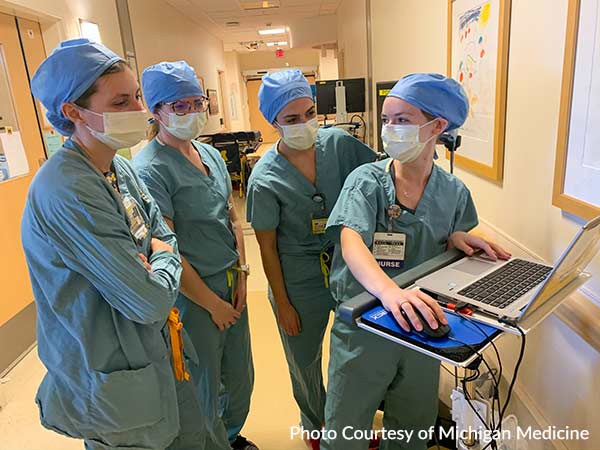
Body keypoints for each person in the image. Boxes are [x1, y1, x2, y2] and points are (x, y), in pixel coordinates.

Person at [23, 39, 205, 449]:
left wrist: (159, 256)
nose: (140, 111)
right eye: (121, 101)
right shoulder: (66, 189)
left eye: (137, 96)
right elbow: (149, 302)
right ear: (73, 112)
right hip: (110, 373)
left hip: (154, 352)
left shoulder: (117, 164)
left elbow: (166, 235)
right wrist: (159, 259)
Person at [321, 73, 511, 450]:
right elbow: (350, 240)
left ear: (438, 126)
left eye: (402, 120)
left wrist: (457, 239)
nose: (390, 129)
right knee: (346, 430)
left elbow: (440, 233)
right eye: (387, 120)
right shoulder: (367, 181)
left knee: (412, 428)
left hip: (422, 329)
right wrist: (390, 293)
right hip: (365, 328)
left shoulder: (453, 190)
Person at [245, 69, 376, 449]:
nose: (304, 124)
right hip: (297, 276)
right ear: (273, 123)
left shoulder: (338, 145)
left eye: (309, 113)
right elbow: (267, 247)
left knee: (356, 350)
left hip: (347, 263)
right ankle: (316, 425)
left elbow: (379, 177)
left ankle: (350, 422)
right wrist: (283, 303)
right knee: (304, 359)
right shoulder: (265, 178)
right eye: (291, 119)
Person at [132, 61, 257, 450]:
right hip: (194, 294)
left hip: (231, 280)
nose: (191, 112)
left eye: (195, 102)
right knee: (202, 386)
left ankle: (230, 436)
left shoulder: (210, 154)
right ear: (156, 112)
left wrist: (243, 272)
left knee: (240, 378)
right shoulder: (150, 169)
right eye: (178, 106)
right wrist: (212, 304)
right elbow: (166, 247)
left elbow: (230, 215)